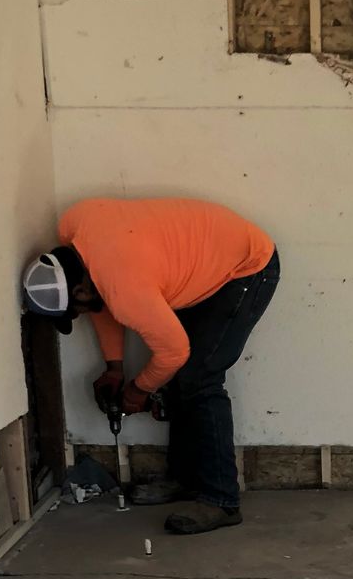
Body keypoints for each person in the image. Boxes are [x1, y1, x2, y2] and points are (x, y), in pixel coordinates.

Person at [22, 196, 279, 535]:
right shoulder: (77, 226)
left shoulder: (126, 290)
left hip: (246, 266)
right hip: (203, 260)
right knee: (180, 378)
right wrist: (114, 367)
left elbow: (173, 351)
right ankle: (186, 479)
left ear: (80, 290)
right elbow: (103, 301)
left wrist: (137, 391)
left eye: (77, 309)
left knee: (199, 379)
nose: (81, 315)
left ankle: (222, 500)